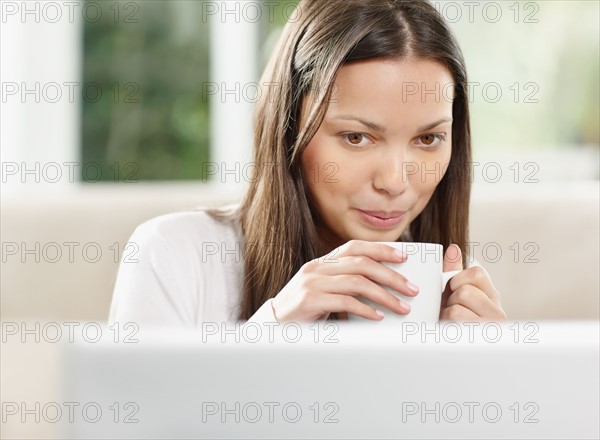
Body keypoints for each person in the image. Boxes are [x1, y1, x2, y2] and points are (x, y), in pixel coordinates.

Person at [108, 0, 506, 327]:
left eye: (427, 139)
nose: (395, 182)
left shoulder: (452, 294)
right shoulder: (177, 254)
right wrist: (277, 328)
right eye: (356, 137)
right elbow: (130, 421)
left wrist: (487, 379)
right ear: (288, 132)